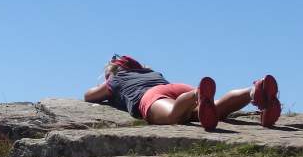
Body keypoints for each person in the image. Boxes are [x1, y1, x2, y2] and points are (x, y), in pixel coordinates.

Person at [83, 54, 280, 131]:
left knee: (172, 116)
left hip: (151, 94)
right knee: (217, 109)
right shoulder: (152, 73)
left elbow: (89, 96)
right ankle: (253, 90)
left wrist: (109, 80)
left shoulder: (117, 79)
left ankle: (197, 95)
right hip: (178, 88)